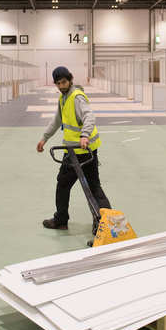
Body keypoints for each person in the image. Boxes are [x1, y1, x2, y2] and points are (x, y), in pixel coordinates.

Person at [36, 66, 111, 232]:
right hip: (72, 151)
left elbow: (89, 116)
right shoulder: (63, 99)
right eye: (58, 84)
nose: (61, 86)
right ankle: (64, 220)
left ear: (70, 79)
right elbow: (56, 121)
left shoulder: (76, 97)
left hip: (84, 150)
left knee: (91, 186)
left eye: (63, 82)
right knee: (67, 184)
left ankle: (103, 223)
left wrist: (84, 135)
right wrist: (44, 138)